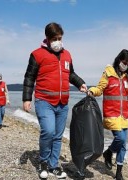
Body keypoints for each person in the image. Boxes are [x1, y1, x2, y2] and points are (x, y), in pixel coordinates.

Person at [22, 22, 87, 179]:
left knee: (58, 135)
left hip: (63, 103)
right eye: (55, 38)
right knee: (48, 132)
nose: (58, 41)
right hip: (44, 101)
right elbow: (29, 76)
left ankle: (53, 165)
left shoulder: (67, 55)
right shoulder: (37, 54)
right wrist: (26, 98)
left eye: (60, 38)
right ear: (47, 38)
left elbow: (70, 74)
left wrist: (80, 84)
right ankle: (43, 162)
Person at [88, 49, 128, 180]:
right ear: (118, 60)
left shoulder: (127, 77)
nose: (125, 65)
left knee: (123, 146)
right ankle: (109, 152)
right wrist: (92, 91)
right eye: (124, 62)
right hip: (112, 114)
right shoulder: (108, 73)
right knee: (120, 139)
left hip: (124, 116)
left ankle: (118, 173)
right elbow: (100, 89)